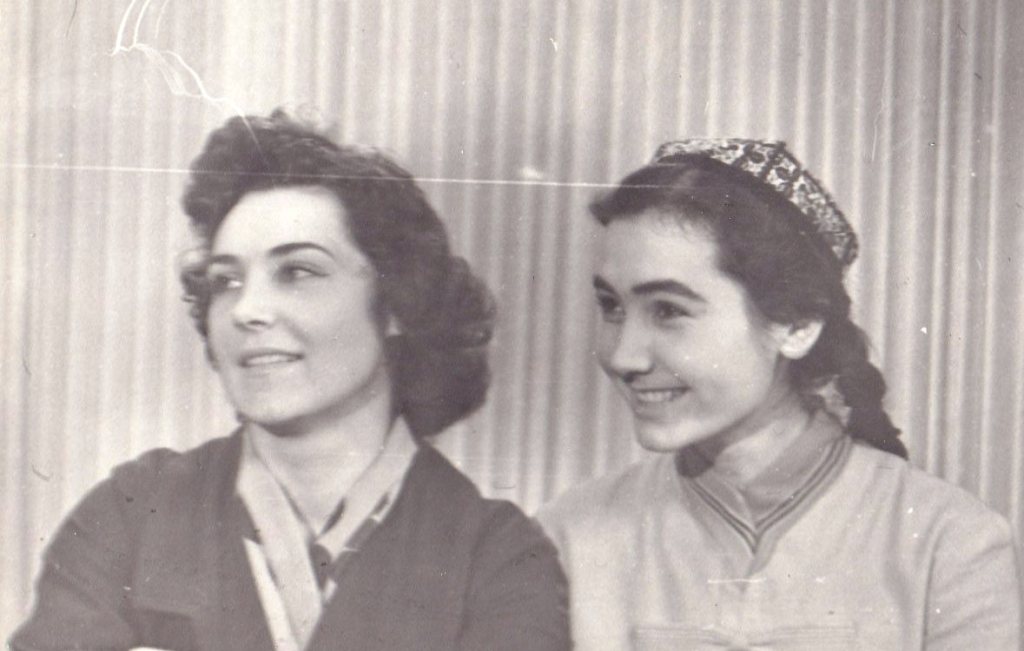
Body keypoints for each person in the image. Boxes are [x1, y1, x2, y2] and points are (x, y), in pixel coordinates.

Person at [12, 111, 570, 651]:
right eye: (227, 281)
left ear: (398, 301)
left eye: (298, 271)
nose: (246, 310)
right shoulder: (133, 513)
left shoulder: (496, 558)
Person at [537, 139, 1021, 650]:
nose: (623, 357)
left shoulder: (950, 544)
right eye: (611, 307)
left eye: (669, 310)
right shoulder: (566, 538)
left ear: (797, 324)